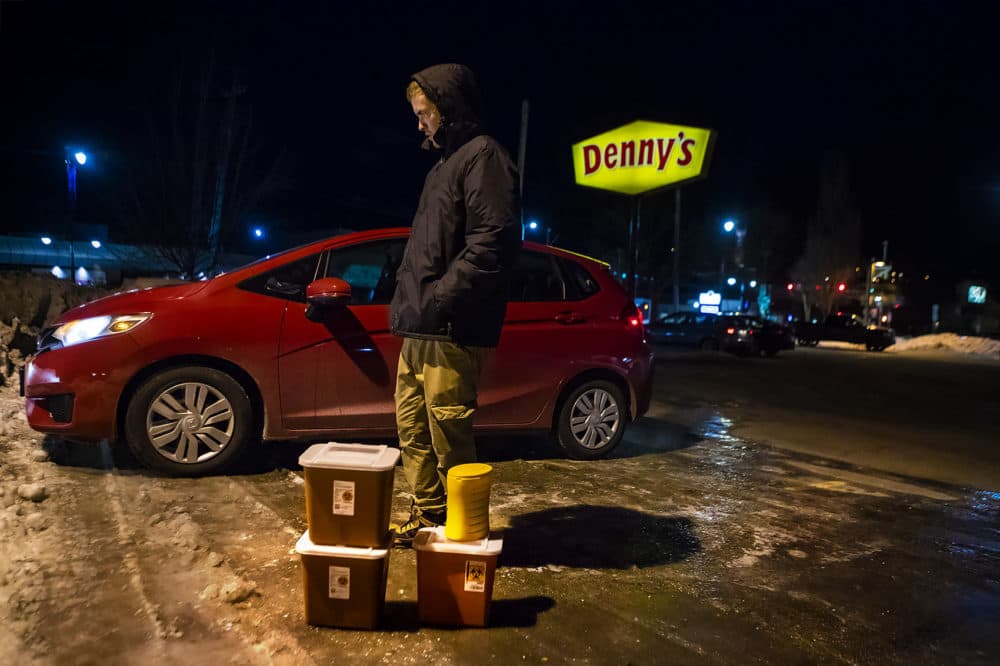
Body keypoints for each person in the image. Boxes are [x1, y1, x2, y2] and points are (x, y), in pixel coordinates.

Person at [389, 63, 520, 546]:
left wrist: (440, 299)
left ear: (448, 108)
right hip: (422, 327)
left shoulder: (483, 157)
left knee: (449, 435)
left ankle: (464, 534)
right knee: (412, 429)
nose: (419, 123)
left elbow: (492, 244)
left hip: (451, 327)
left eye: (424, 113)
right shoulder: (443, 165)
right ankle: (428, 516)